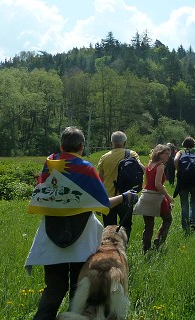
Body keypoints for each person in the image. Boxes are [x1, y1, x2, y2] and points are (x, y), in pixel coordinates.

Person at [25, 127, 135, 320]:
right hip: (82, 236)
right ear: (81, 147)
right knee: (78, 288)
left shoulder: (48, 165)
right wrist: (125, 196)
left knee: (53, 288)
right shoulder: (85, 168)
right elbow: (102, 203)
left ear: (61, 145)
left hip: (51, 233)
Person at [97, 131, 144, 238]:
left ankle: (109, 249)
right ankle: (123, 248)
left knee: (108, 227)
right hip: (126, 195)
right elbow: (142, 170)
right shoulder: (132, 154)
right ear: (125, 142)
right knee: (126, 225)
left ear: (111, 143)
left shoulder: (104, 157)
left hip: (108, 198)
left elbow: (100, 180)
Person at [141, 144, 174, 253]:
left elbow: (148, 182)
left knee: (149, 224)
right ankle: (158, 241)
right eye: (166, 154)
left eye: (169, 153)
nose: (168, 156)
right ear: (159, 154)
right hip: (156, 197)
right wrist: (168, 197)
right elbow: (157, 184)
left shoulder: (150, 164)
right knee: (168, 219)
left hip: (146, 196)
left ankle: (145, 249)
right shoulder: (160, 166)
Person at [174, 136, 195, 232]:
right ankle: (193, 222)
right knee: (193, 201)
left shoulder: (180, 152)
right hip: (194, 180)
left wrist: (178, 170)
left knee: (184, 203)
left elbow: (175, 160)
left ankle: (185, 226)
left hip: (183, 180)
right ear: (193, 144)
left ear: (183, 144)